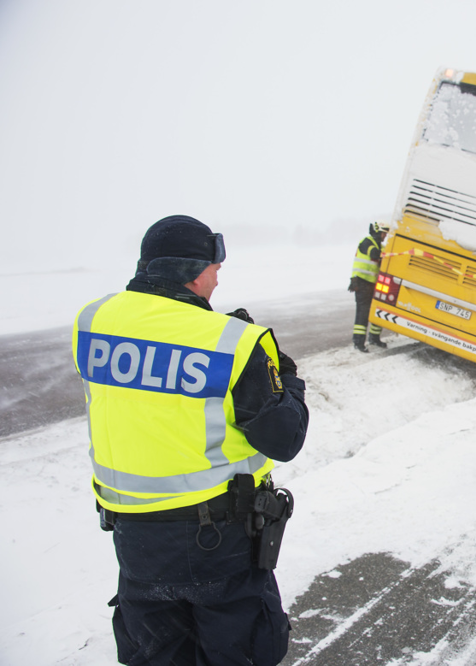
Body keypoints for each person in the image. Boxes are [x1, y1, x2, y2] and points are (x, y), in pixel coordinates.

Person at [72, 215, 309, 665]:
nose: (218, 280)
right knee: (237, 651)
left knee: (158, 654)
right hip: (218, 538)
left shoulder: (93, 320)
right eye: (216, 269)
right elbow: (284, 439)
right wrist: (288, 380)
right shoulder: (233, 342)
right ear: (196, 272)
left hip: (134, 538)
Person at [349, 220, 389, 352]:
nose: (385, 236)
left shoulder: (381, 247)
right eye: (384, 233)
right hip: (361, 282)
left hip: (373, 283)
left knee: (379, 310)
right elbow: (374, 254)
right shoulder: (367, 242)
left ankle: (374, 338)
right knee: (363, 312)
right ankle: (358, 342)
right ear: (377, 232)